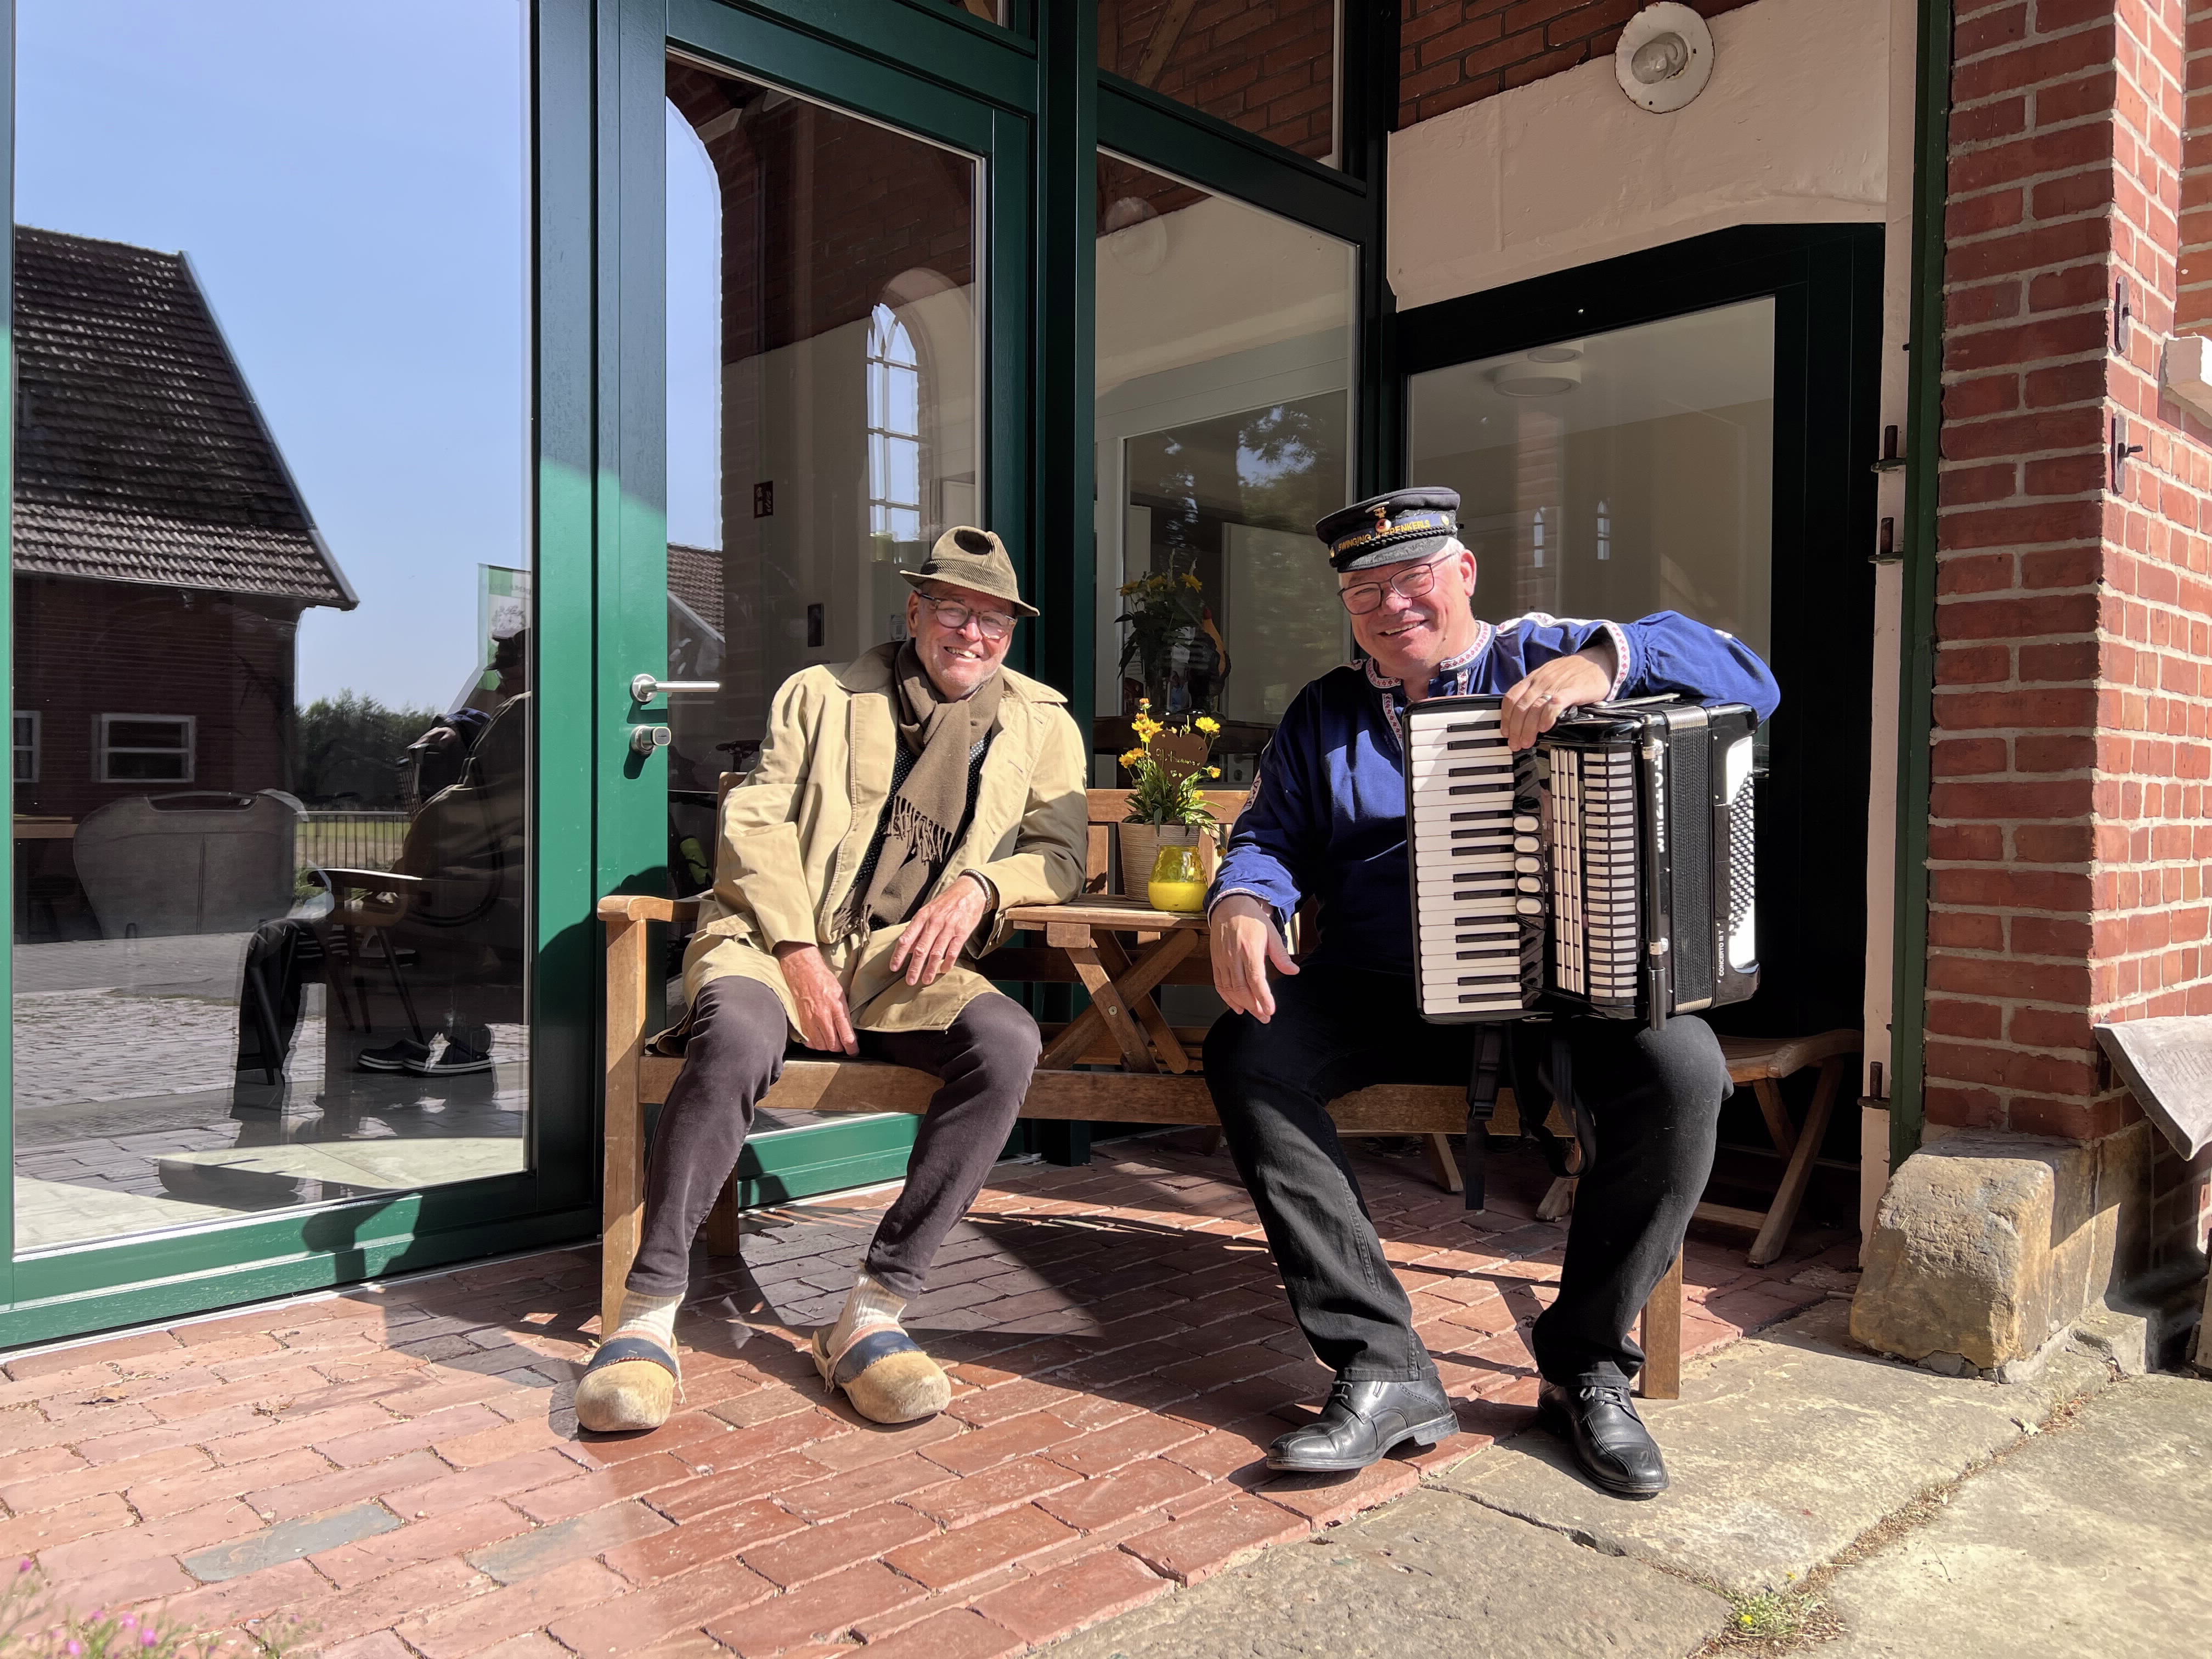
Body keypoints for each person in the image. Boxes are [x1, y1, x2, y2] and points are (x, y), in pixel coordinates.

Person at [1204, 487, 1780, 1498]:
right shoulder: (1323, 713)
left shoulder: (1548, 652)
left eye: (1412, 578)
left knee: (1685, 1073)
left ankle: (1586, 1363)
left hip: (1567, 987)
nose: (1392, 606)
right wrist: (1243, 899)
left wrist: (1604, 664)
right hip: (1384, 983)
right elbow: (1269, 834)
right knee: (1250, 1051)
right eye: (1365, 590)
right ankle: (1384, 1366)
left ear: (1464, 573)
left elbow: (1752, 681)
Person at [575, 527, 1088, 1435]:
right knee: (736, 1034)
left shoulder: (1041, 723)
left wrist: (982, 886)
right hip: (771, 941)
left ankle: (874, 1310)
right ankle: (647, 1316)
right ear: (915, 612)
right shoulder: (819, 694)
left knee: (1007, 1043)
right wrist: (798, 952)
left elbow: (1060, 853)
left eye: (995, 621)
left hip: (902, 963)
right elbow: (756, 820)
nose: (973, 635)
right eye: (955, 611)